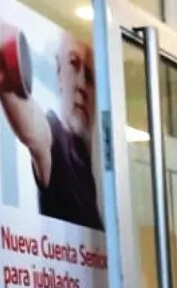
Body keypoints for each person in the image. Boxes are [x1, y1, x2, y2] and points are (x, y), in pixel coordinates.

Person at [0, 22, 104, 231]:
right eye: (73, 64)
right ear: (58, 73)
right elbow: (33, 127)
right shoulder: (56, 138)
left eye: (91, 76)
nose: (82, 84)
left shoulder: (94, 170)